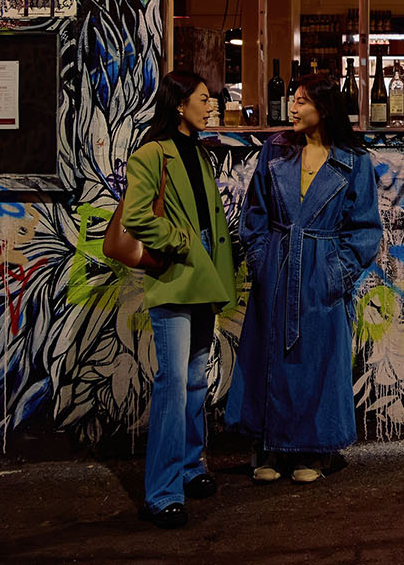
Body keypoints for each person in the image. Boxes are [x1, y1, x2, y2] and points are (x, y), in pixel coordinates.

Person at [227, 73, 384, 485]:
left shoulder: (354, 161)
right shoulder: (275, 151)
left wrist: (337, 272)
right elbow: (254, 214)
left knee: (317, 362)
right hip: (278, 266)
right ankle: (268, 447)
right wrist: (261, 259)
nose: (292, 108)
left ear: (324, 108)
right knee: (268, 357)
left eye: (301, 101)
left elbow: (365, 229)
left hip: (321, 270)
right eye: (293, 100)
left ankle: (315, 450)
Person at [121, 70, 238, 529]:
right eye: (204, 99)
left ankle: (191, 468)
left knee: (193, 381)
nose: (211, 107)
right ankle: (163, 491)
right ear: (179, 104)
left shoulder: (199, 153)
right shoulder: (153, 153)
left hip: (205, 276)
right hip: (176, 276)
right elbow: (135, 216)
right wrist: (182, 240)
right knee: (172, 384)